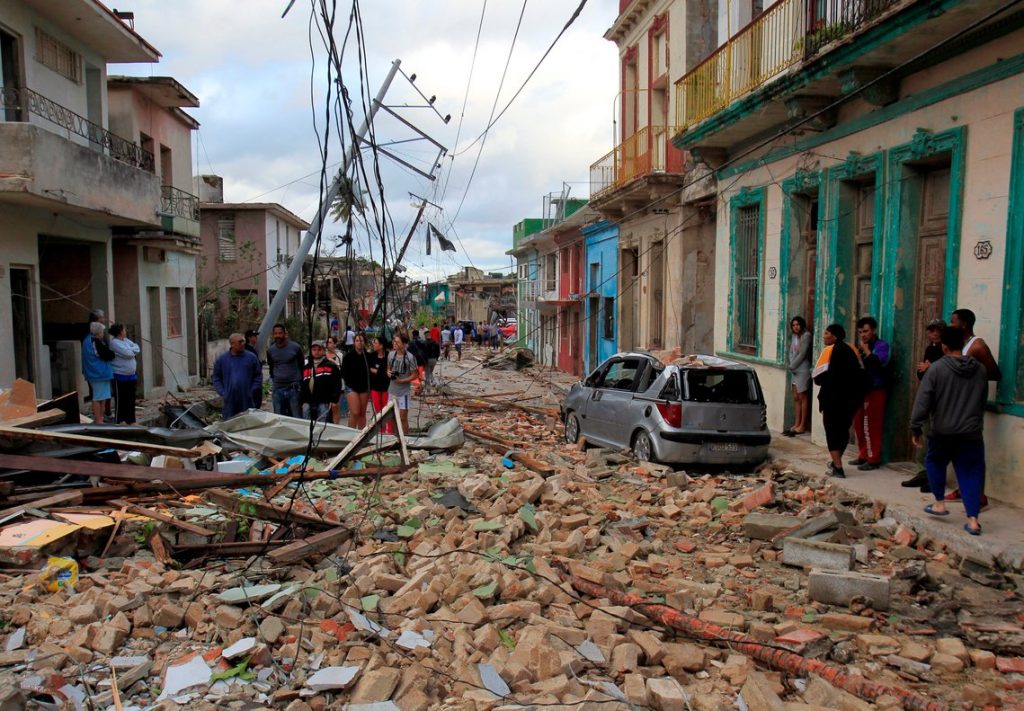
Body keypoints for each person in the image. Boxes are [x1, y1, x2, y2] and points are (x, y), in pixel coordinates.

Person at [912, 326, 988, 535]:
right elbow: (981, 401)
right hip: (971, 433)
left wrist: (916, 426)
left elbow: (923, 400)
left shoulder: (936, 369)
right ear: (963, 345)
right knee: (971, 472)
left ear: (944, 346)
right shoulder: (980, 370)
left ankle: (939, 504)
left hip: (942, 431)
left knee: (935, 462)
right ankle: (973, 520)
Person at [943, 308, 1000, 508]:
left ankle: (979, 495)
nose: (950, 324)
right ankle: (963, 488)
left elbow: (993, 373)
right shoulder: (958, 346)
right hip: (956, 404)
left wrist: (969, 378)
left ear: (964, 324)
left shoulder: (977, 346)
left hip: (971, 406)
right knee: (957, 451)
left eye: (953, 321)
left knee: (973, 453)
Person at [812, 323, 864, 479]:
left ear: (834, 336)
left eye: (827, 333)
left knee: (832, 431)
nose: (824, 336)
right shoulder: (852, 349)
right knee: (843, 431)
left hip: (832, 399)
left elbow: (818, 377)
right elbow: (861, 372)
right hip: (851, 400)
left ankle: (838, 467)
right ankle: (836, 462)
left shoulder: (829, 350)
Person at [902, 319, 946, 490]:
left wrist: (931, 367)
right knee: (924, 437)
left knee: (935, 440)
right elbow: (922, 375)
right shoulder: (931, 349)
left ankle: (934, 478)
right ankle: (922, 473)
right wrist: (925, 369)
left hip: (941, 401)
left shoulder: (946, 351)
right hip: (929, 398)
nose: (934, 333)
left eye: (938, 330)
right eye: (931, 330)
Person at [849, 316, 891, 471]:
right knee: (859, 424)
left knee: (872, 425)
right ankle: (863, 454)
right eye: (860, 332)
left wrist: (866, 351)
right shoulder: (859, 347)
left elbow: (877, 362)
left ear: (873, 330)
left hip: (876, 388)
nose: (863, 335)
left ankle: (874, 458)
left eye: (866, 331)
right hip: (861, 389)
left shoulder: (881, 346)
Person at [213, 333, 263, 419]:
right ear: (232, 344)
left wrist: (252, 390)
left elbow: (258, 376)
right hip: (230, 400)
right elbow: (216, 377)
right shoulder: (222, 359)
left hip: (247, 399)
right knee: (230, 424)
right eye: (240, 342)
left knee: (248, 423)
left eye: (243, 341)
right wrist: (223, 392)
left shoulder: (251, 358)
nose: (243, 344)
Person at [266, 323, 304, 417]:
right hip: (278, 388)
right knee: (279, 417)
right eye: (276, 333)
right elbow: (271, 366)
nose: (278, 335)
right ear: (273, 335)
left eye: (280, 333)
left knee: (296, 417)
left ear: (285, 333)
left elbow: (301, 365)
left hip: (293, 388)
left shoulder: (295, 347)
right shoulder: (271, 350)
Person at [783, 316, 813, 437]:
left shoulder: (806, 336)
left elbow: (803, 353)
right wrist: (791, 364)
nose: (796, 327)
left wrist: (792, 366)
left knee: (803, 396)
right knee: (796, 397)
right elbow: (791, 352)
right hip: (794, 368)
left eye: (798, 324)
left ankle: (802, 425)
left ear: (802, 325)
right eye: (793, 325)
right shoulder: (794, 336)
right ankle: (796, 424)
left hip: (802, 368)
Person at [301, 340, 342, 422]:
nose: (317, 352)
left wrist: (334, 399)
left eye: (319, 350)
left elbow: (337, 383)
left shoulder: (331, 366)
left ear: (323, 351)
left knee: (323, 423)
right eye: (314, 350)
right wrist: (302, 400)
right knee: (306, 423)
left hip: (324, 400)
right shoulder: (306, 366)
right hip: (308, 400)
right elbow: (302, 383)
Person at [82, 321, 114, 423]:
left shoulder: (89, 340)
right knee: (98, 397)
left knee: (103, 396)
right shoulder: (94, 341)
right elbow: (107, 354)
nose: (103, 334)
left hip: (101, 374)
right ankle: (98, 418)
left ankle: (100, 417)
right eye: (102, 332)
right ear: (98, 332)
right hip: (98, 374)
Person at [108, 323, 140, 424]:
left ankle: (130, 420)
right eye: (124, 329)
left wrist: (131, 350)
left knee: (131, 399)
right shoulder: (114, 343)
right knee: (122, 399)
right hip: (120, 375)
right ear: (120, 332)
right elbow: (128, 354)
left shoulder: (125, 340)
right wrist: (132, 351)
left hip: (131, 375)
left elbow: (137, 348)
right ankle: (120, 419)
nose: (125, 331)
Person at [388, 332, 419, 432]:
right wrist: (388, 373)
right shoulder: (391, 355)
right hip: (392, 390)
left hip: (403, 392)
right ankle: (394, 438)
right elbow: (388, 369)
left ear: (404, 344)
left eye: (397, 342)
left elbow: (415, 374)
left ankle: (405, 439)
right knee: (392, 417)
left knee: (402, 418)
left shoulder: (410, 357)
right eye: (394, 341)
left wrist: (402, 380)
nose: (394, 344)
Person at [341, 332, 371, 429]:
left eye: (361, 340)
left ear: (364, 342)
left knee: (362, 413)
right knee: (355, 412)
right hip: (351, 387)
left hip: (364, 387)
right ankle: (350, 436)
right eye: (357, 341)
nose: (359, 343)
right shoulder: (348, 356)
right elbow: (343, 373)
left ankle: (362, 436)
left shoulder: (368, 356)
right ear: (354, 342)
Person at [368, 335, 393, 433]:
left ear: (381, 345)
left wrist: (378, 371)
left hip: (387, 387)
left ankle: (390, 431)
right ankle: (381, 431)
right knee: (378, 411)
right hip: (375, 387)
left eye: (375, 343)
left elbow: (390, 371)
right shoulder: (372, 356)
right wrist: (383, 372)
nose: (373, 345)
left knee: (387, 411)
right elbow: (371, 369)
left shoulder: (389, 356)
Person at [408, 329, 427, 394]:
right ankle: (418, 389)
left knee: (415, 376)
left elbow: (408, 352)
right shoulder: (423, 341)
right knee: (420, 375)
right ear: (418, 334)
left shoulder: (411, 343)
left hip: (414, 361)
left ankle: (417, 388)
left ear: (413, 335)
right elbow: (426, 351)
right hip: (421, 361)